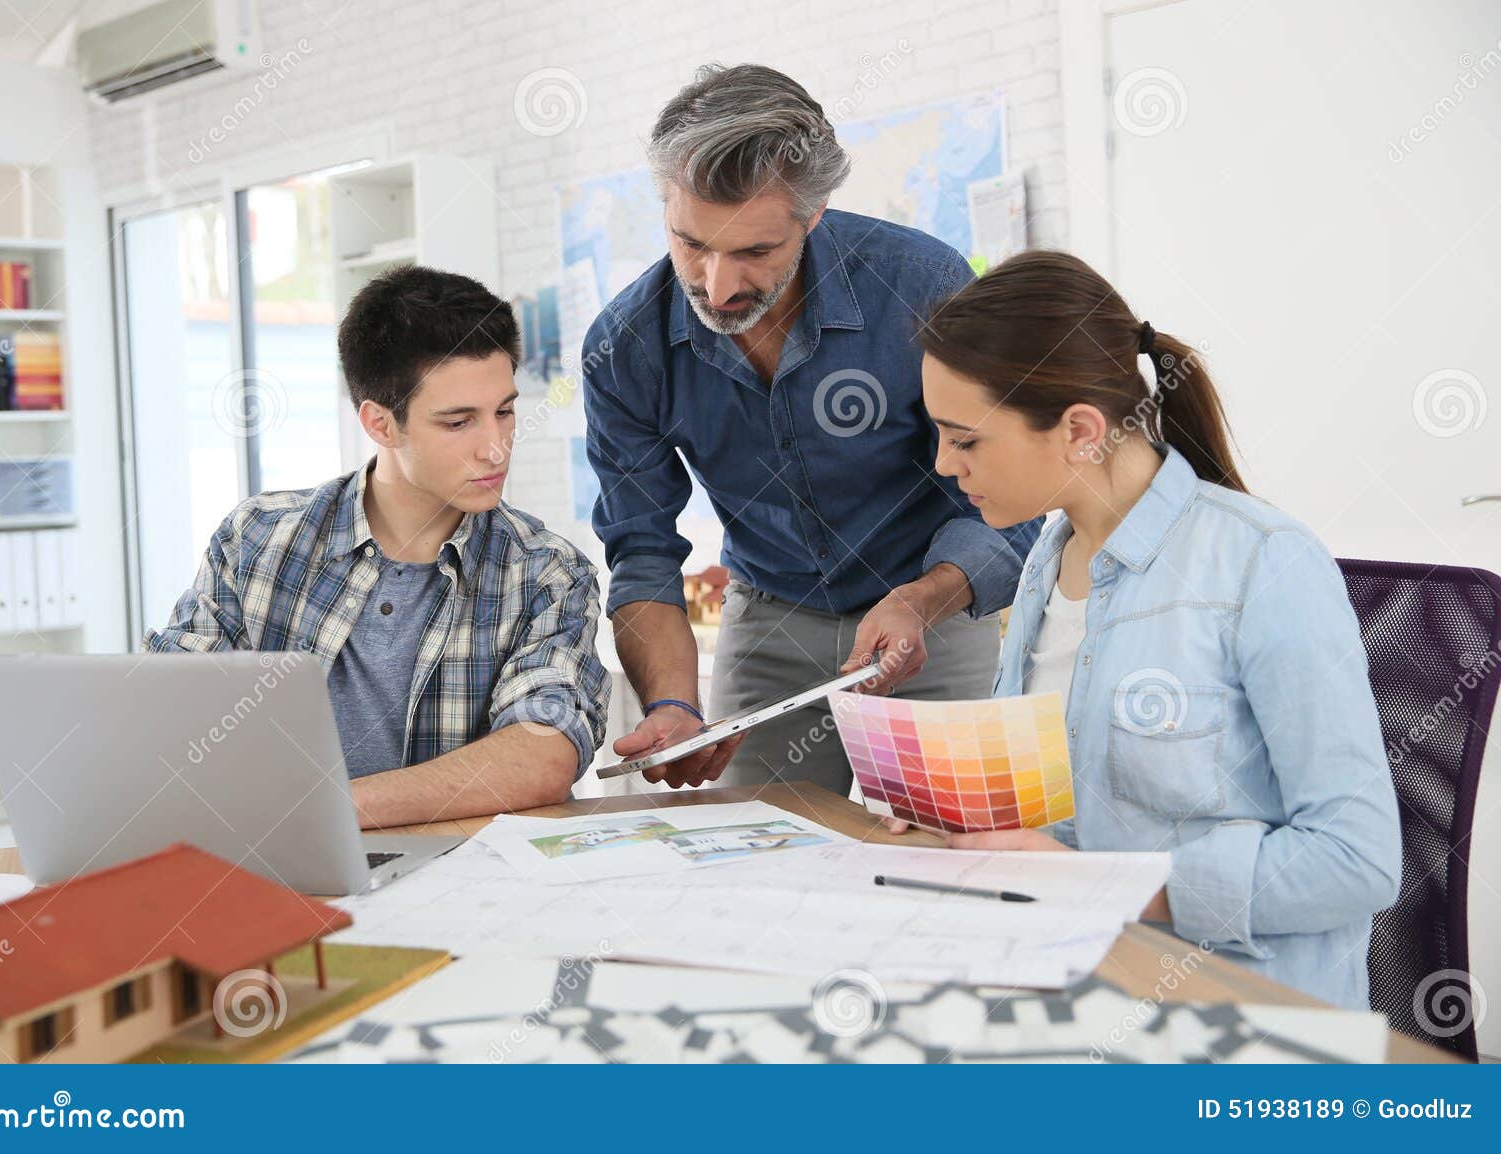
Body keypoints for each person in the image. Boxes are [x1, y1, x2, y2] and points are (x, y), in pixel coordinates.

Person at [906, 249, 1400, 1007]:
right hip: (1077, 982)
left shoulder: (1265, 564)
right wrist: (957, 818)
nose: (943, 463)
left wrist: (1109, 887)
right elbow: (1069, 820)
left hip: (1236, 1025)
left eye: (965, 438)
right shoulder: (1049, 556)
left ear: (1078, 430)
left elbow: (1356, 861)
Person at [582, 63, 1039, 793]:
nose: (718, 285)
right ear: (665, 203)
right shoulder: (624, 346)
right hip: (771, 615)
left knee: (950, 848)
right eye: (691, 243)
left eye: (755, 252)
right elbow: (641, 547)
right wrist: (670, 701)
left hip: (931, 603)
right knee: (761, 855)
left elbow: (1009, 493)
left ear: (815, 212)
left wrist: (923, 600)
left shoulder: (923, 284)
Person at [146, 266, 609, 826]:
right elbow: (171, 711)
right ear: (381, 424)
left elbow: (542, 753)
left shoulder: (547, 572)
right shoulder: (258, 540)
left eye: (505, 411)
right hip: (278, 873)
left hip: (466, 885)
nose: (497, 448)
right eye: (459, 422)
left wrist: (322, 810)